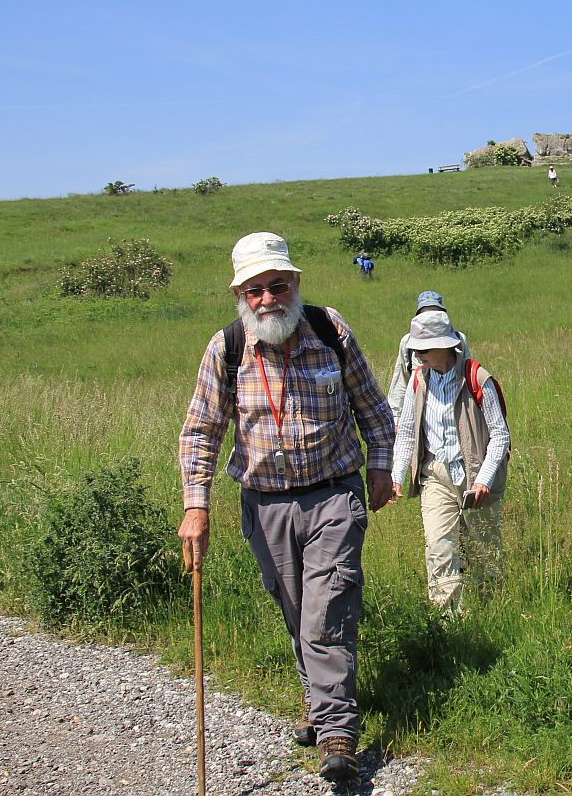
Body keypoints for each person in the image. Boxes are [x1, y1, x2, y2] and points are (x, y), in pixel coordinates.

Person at [177, 232, 395, 783]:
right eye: (255, 290)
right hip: (265, 502)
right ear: (241, 295)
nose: (267, 298)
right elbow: (201, 432)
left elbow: (372, 405)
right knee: (296, 608)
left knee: (329, 607)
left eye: (277, 285)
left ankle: (339, 731)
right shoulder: (226, 350)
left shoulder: (330, 330)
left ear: (295, 283)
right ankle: (320, 708)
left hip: (334, 493)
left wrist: (380, 466)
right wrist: (196, 507)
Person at [390, 310, 510, 615]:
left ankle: (491, 612)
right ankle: (448, 623)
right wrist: (396, 474)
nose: (417, 355)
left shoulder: (477, 377)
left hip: (474, 478)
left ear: (446, 346)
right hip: (435, 477)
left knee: (484, 551)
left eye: (424, 349)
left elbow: (500, 436)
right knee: (440, 548)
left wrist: (483, 479)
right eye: (414, 349)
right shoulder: (418, 380)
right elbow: (405, 431)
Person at [387, 290, 471, 424]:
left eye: (435, 314)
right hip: (418, 411)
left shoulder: (459, 339)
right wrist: (397, 419)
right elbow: (401, 380)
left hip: (453, 410)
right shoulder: (407, 342)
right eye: (425, 314)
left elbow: (468, 376)